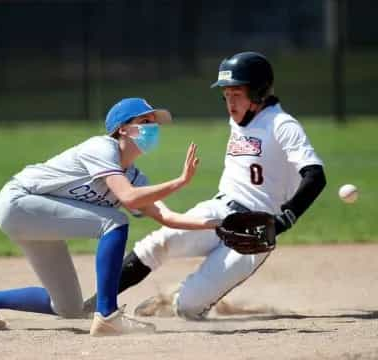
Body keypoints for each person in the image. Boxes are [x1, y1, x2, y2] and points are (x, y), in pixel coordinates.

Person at [82, 52, 327, 320]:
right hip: (218, 208)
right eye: (226, 94)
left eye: (237, 93)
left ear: (258, 93)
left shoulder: (283, 125)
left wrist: (284, 220)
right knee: (157, 243)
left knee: (187, 308)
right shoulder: (239, 118)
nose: (229, 102)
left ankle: (176, 299)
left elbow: (315, 175)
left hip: (255, 231)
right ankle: (96, 304)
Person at [0, 97, 219, 336]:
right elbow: (127, 198)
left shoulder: (136, 177)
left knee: (68, 307)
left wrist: (216, 226)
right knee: (114, 221)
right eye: (145, 121)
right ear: (122, 129)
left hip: (40, 218)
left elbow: (168, 217)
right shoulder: (102, 148)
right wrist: (180, 182)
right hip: (19, 202)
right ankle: (108, 315)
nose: (153, 127)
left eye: (154, 122)